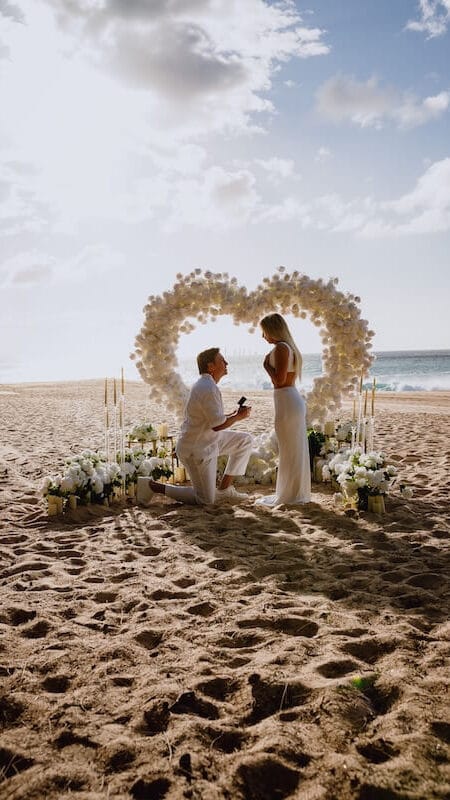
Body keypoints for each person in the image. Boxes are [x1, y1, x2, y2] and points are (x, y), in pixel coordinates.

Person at [136, 348, 254, 506]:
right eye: (222, 361)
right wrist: (238, 417)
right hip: (196, 450)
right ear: (210, 366)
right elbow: (218, 426)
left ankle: (225, 489)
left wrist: (231, 415)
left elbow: (213, 419)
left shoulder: (207, 385)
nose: (226, 363)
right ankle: (152, 486)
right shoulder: (208, 388)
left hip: (209, 440)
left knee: (244, 441)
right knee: (206, 500)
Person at [256, 313, 311, 506]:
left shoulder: (281, 348)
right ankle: (293, 492)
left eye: (264, 332)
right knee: (292, 449)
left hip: (287, 400)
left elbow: (279, 380)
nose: (263, 337)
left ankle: (290, 495)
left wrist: (266, 367)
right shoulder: (289, 347)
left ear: (272, 330)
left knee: (289, 449)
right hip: (289, 399)